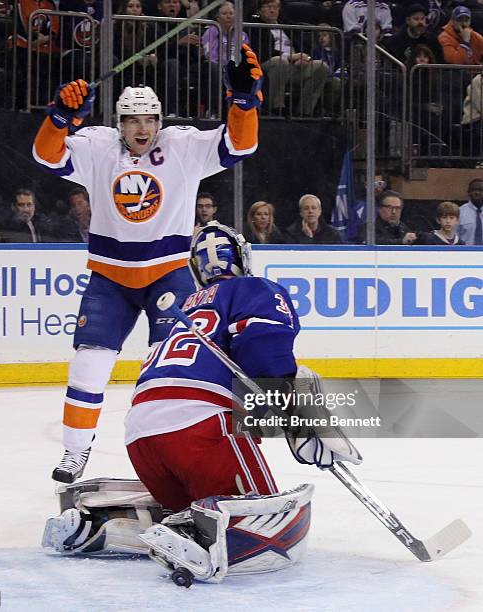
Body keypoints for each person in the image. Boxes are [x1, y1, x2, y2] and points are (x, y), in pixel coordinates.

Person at [41, 223, 361, 583]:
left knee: (185, 510)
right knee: (265, 528)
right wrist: (302, 419)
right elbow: (264, 351)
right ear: (243, 257)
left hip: (142, 436)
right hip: (201, 430)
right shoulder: (255, 289)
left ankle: (98, 526)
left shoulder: (185, 309)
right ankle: (195, 539)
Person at [32, 44, 265, 483]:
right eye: (133, 120)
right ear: (118, 124)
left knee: (175, 371)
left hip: (168, 275)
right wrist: (59, 119)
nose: (144, 128)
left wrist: (243, 103)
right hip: (110, 279)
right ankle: (75, 452)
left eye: (150, 119)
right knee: (88, 365)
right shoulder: (99, 146)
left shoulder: (182, 145)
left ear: (160, 120)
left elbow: (241, 144)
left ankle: (175, 454)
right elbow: (48, 156)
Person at [247, 0, 330, 116]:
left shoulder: (286, 24)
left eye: (276, 7)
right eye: (269, 7)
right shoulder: (254, 26)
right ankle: (277, 108)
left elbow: (304, 45)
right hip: (269, 65)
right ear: (260, 10)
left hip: (294, 66)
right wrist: (290, 57)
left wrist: (305, 58)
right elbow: (262, 51)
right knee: (281, 62)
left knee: (321, 66)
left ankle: (304, 111)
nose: (273, 10)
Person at [459, 178, 483, 244]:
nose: (477, 193)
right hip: (465, 252)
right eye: (473, 190)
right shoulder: (459, 212)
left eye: (480, 190)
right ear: (468, 193)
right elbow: (453, 237)